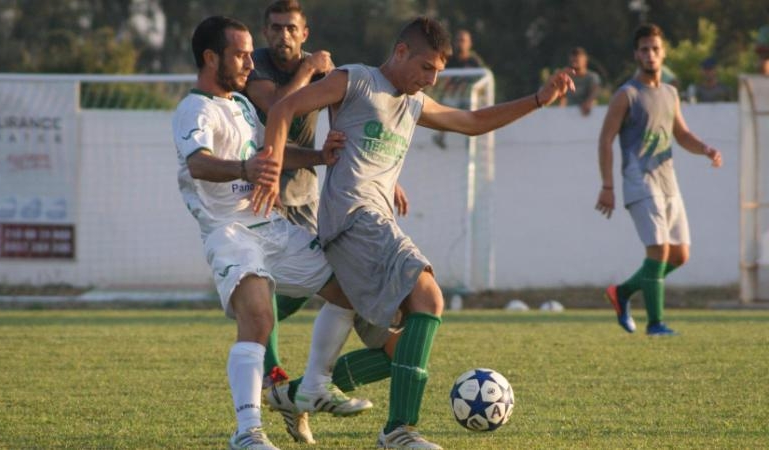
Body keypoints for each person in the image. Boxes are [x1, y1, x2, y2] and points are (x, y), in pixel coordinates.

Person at [255, 17, 574, 449]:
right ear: (401, 52)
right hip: (355, 219)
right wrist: (271, 172)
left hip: (372, 223)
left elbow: (474, 120)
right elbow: (282, 109)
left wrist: (537, 100)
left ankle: (295, 395)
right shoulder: (357, 81)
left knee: (398, 351)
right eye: (426, 68)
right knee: (429, 296)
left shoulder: (415, 105)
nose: (432, 79)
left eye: (438, 71)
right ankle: (399, 431)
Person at [171, 16, 370, 450]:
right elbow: (199, 164)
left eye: (247, 54)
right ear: (210, 58)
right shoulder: (194, 108)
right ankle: (247, 432)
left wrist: (320, 155)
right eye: (240, 55)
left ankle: (314, 384)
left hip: (271, 224)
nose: (249, 63)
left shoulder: (240, 105)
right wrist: (246, 169)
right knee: (259, 318)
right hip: (230, 232)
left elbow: (271, 153)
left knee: (351, 287)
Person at [244, 0, 410, 415]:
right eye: (276, 28)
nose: (282, 35)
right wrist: (308, 69)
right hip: (263, 194)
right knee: (282, 285)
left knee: (318, 285)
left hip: (306, 193)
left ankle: (289, 381)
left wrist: (388, 178)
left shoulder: (327, 73)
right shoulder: (255, 67)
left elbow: (351, 119)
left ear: (305, 33)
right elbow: (278, 106)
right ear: (265, 33)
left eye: (290, 29)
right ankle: (277, 375)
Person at [596, 23, 723, 337]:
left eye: (655, 49)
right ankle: (655, 324)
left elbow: (681, 134)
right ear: (636, 54)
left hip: (668, 182)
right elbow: (605, 140)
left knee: (680, 255)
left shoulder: (670, 92)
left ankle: (623, 292)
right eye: (644, 49)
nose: (650, 55)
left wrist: (705, 148)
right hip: (639, 181)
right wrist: (607, 186)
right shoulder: (626, 95)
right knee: (660, 251)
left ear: (663, 53)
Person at [560, 47, 601, 116]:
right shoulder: (567, 77)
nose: (574, 61)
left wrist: (589, 102)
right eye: (573, 59)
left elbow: (595, 92)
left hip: (586, 114)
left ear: (585, 60)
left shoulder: (591, 77)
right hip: (569, 114)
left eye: (577, 59)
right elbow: (562, 97)